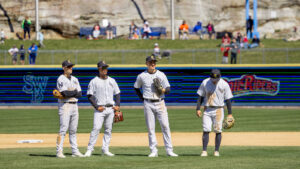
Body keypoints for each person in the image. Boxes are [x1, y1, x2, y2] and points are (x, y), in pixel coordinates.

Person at [134, 55, 178, 157]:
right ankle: (153, 150)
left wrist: (163, 90)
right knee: (151, 128)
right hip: (148, 103)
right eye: (150, 62)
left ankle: (169, 150)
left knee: (165, 126)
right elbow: (136, 87)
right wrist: (142, 98)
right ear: (146, 64)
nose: (153, 64)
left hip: (160, 102)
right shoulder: (141, 76)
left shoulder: (161, 75)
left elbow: (168, 89)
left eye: (154, 62)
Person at [84, 61, 121, 157]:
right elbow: (89, 95)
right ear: (99, 69)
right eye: (103, 68)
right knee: (96, 128)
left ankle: (105, 149)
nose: (105, 70)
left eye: (106, 68)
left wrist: (117, 105)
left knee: (108, 129)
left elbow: (117, 93)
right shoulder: (94, 81)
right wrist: (96, 106)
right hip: (100, 109)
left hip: (110, 108)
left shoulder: (112, 80)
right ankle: (89, 149)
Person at [196, 69, 234, 157]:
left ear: (220, 77)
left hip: (219, 110)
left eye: (216, 79)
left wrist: (230, 113)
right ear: (210, 77)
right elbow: (200, 97)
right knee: (206, 130)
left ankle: (216, 151)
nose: (214, 81)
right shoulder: (205, 82)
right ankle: (204, 151)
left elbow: (228, 100)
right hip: (207, 109)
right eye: (213, 79)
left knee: (218, 130)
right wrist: (198, 109)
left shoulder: (224, 84)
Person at [56, 60, 84, 158]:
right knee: (63, 129)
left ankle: (75, 151)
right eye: (68, 66)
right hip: (65, 106)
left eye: (71, 66)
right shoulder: (61, 78)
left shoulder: (75, 79)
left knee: (73, 130)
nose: (70, 68)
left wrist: (70, 92)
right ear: (64, 67)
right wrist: (74, 92)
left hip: (74, 105)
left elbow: (80, 94)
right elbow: (64, 93)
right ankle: (59, 151)